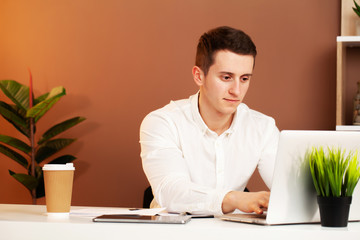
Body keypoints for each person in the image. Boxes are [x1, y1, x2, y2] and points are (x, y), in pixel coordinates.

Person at [140, 26, 279, 216]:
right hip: (172, 233)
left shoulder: (263, 128)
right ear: (199, 76)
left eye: (244, 78)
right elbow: (171, 192)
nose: (237, 91)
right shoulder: (162, 122)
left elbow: (289, 188)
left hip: (230, 232)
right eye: (226, 77)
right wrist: (234, 198)